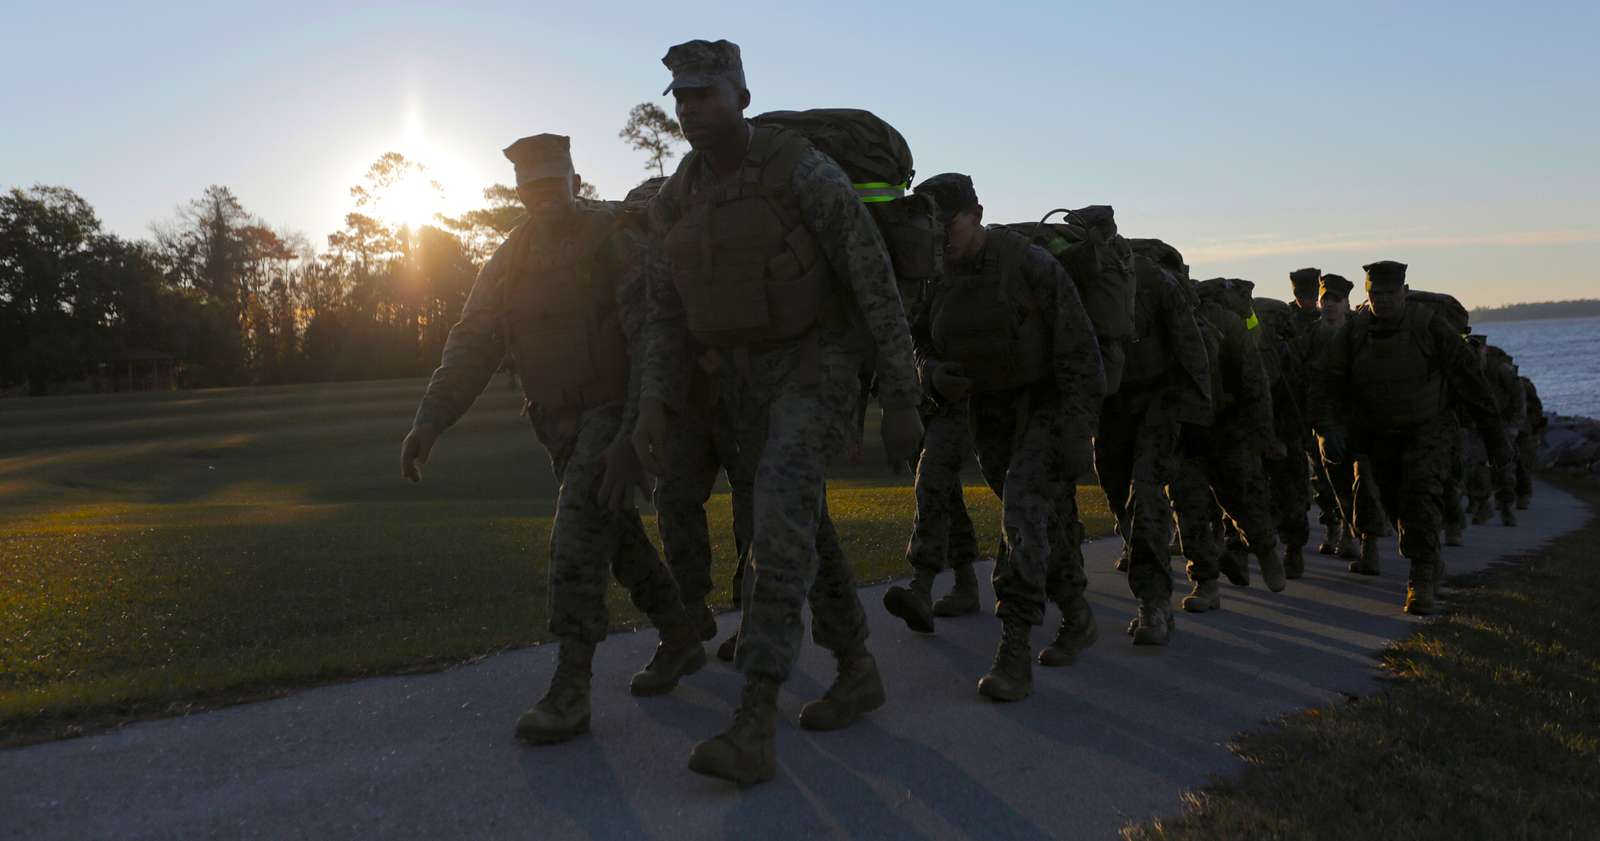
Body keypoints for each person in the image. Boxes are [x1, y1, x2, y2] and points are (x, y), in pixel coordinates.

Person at [632, 39, 924, 786]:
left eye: (707, 93)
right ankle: (857, 666)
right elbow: (665, 313)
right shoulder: (679, 197)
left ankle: (754, 720)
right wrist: (656, 404)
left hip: (817, 368)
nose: (693, 108)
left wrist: (899, 397)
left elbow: (871, 276)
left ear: (741, 96)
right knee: (803, 526)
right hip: (741, 385)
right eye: (682, 98)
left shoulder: (802, 171)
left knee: (778, 527)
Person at [400, 134, 702, 745]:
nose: (541, 198)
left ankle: (571, 687)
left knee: (574, 541)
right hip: (557, 424)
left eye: (551, 185)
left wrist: (639, 428)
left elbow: (653, 334)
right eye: (529, 188)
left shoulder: (612, 238)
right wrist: (430, 421)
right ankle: (682, 635)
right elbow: (474, 339)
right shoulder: (512, 255)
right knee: (616, 538)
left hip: (613, 415)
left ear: (575, 181)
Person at [887, 173, 1104, 697]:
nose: (943, 236)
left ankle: (1015, 647)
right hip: (988, 412)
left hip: (1044, 402)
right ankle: (1076, 613)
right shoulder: (936, 276)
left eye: (951, 223)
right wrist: (932, 372)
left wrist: (1078, 430)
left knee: (1022, 511)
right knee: (1040, 518)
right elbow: (917, 340)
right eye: (933, 227)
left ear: (977, 213)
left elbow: (1080, 350)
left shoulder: (1028, 264)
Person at [1308, 261, 1511, 614]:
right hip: (1378, 434)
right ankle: (1428, 557)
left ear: (1404, 291)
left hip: (1428, 429)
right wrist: (1327, 429)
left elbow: (1470, 381)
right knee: (1395, 504)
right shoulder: (1355, 333)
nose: (1382, 301)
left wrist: (1495, 438)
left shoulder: (1429, 326)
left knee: (1421, 496)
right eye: (1375, 294)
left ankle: (1420, 579)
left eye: (1389, 293)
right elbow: (1328, 383)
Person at [1098, 239, 1211, 644]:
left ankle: (1154, 605)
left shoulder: (1158, 284)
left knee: (1144, 495)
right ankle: (1151, 582)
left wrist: (1196, 415)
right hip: (1111, 409)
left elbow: (1191, 347)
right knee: (1117, 496)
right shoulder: (1082, 282)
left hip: (1159, 403)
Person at [1170, 277, 1283, 612]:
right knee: (1188, 509)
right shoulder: (1157, 322)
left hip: (1227, 428)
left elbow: (1255, 382)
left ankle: (1263, 548)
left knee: (1242, 500)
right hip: (1183, 432)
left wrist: (1263, 435)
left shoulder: (1224, 322)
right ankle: (1204, 582)